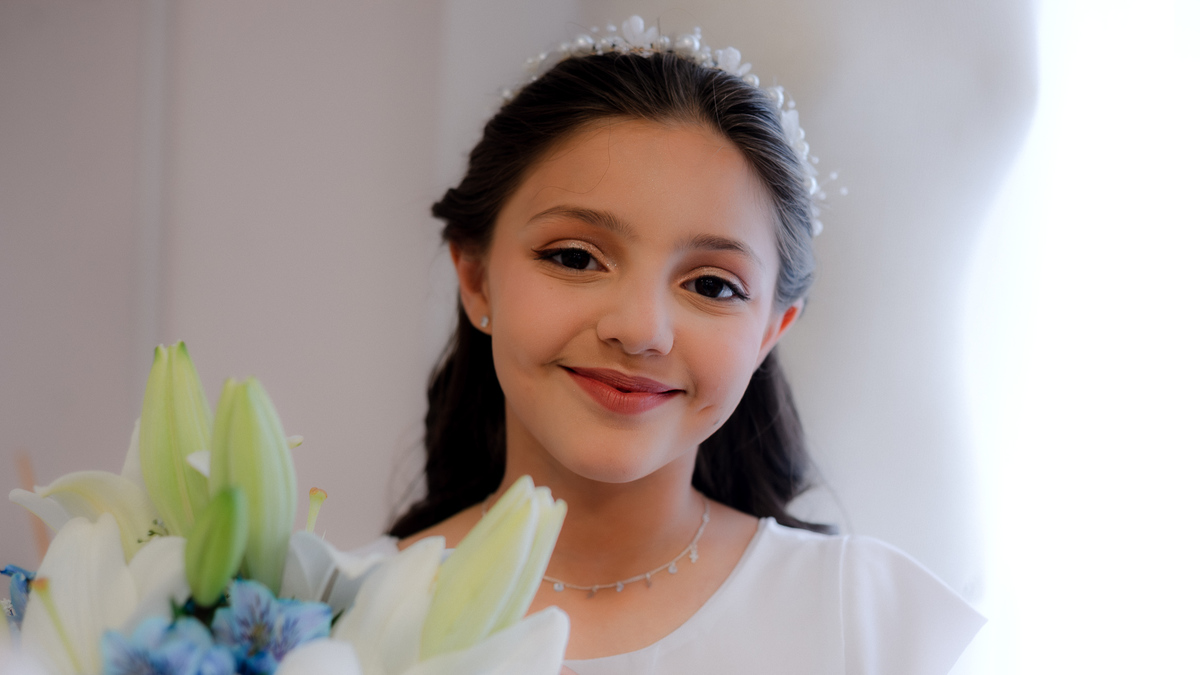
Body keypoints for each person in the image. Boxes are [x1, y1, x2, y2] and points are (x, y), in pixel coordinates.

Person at [388, 18, 984, 674]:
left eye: (711, 285)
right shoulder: (340, 611)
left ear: (770, 332)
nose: (641, 329)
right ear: (477, 279)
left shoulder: (867, 620)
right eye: (576, 257)